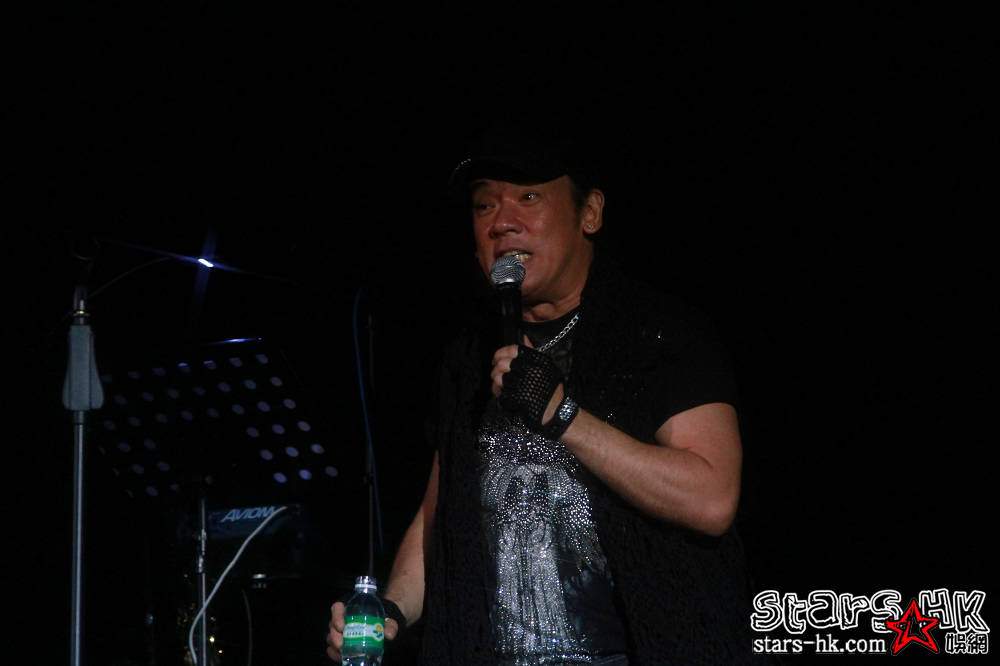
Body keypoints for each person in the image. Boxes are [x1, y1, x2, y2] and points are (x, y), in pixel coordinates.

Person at [328, 122, 764, 664]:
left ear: (590, 212)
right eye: (484, 206)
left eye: (529, 198)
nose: (502, 222)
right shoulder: (467, 357)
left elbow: (711, 499)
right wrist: (391, 609)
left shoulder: (657, 332)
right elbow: (440, 518)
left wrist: (563, 417)